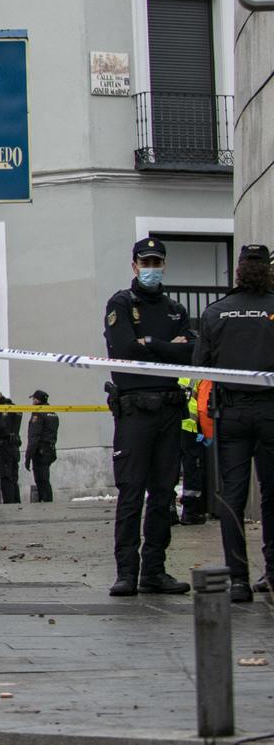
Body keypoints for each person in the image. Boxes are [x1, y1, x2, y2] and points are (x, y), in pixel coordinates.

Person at [103, 235, 192, 597]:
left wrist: (150, 345)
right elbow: (124, 349)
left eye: (157, 263)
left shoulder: (175, 310)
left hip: (169, 409)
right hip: (134, 409)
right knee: (131, 493)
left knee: (163, 492)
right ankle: (126, 571)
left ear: (164, 265)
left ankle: (154, 571)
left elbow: (191, 355)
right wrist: (168, 348)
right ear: (134, 266)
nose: (152, 269)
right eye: (146, 263)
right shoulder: (121, 303)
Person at [193, 243, 274, 603]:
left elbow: (199, 367)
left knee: (233, 498)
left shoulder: (216, 312)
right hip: (272, 413)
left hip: (232, 414)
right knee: (273, 496)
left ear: (238, 269)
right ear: (267, 269)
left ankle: (238, 581)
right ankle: (272, 574)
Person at [177, 377, 209, 525]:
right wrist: (208, 437)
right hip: (191, 428)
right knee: (192, 467)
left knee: (168, 466)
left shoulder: (172, 372)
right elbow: (203, 407)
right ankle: (191, 511)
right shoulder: (198, 375)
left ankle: (168, 509)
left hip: (170, 426)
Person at [26, 390, 58, 503]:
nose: (32, 402)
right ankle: (46, 501)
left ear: (37, 400)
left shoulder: (38, 413)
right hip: (50, 449)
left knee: (41, 479)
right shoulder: (52, 412)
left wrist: (28, 456)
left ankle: (45, 502)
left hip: (40, 451)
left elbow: (34, 437)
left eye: (33, 399)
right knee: (45, 478)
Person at [0, 391, 23, 504]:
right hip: (15, 445)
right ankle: (16, 501)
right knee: (14, 477)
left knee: (6, 477)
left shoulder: (3, 409)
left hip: (5, 445)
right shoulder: (16, 408)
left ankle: (9, 503)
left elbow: (2, 426)